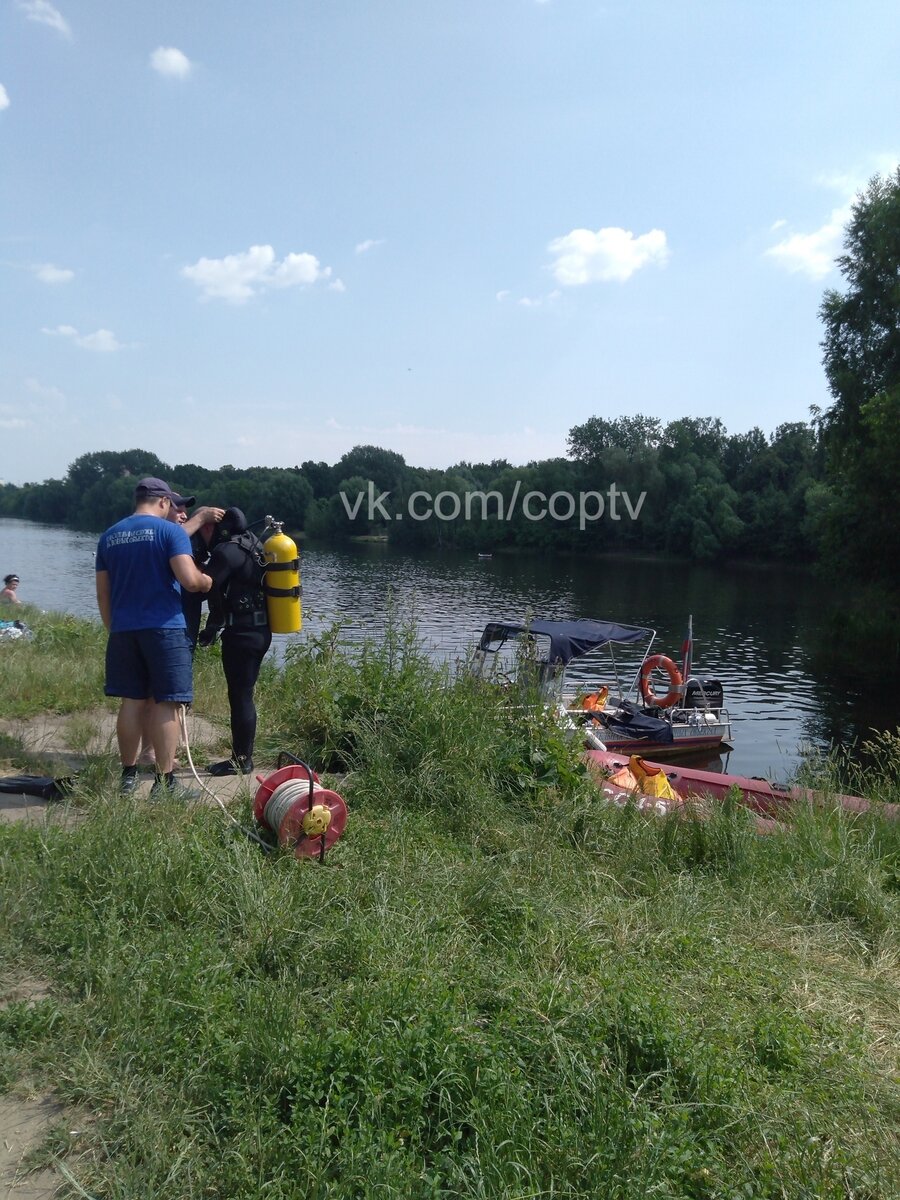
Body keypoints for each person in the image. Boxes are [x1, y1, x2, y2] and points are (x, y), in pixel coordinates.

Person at [95, 477, 213, 798]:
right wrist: (207, 582)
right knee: (167, 703)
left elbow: (103, 596)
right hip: (164, 629)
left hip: (123, 630)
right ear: (162, 502)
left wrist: (114, 627)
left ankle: (128, 777)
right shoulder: (170, 532)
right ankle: (165, 784)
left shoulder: (109, 537)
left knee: (131, 702)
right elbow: (189, 581)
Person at [137, 497, 225, 767]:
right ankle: (152, 753)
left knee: (163, 694)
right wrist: (201, 517)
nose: (185, 515)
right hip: (166, 628)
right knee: (158, 694)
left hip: (181, 626)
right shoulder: (161, 538)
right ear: (161, 508)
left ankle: (164, 747)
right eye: (179, 508)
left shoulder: (177, 539)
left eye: (188, 510)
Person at [197, 506, 272, 776]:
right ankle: (242, 756)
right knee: (243, 695)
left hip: (242, 634)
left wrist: (210, 626)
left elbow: (204, 587)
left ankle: (241, 761)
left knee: (240, 697)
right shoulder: (253, 543)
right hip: (260, 630)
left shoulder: (225, 552)